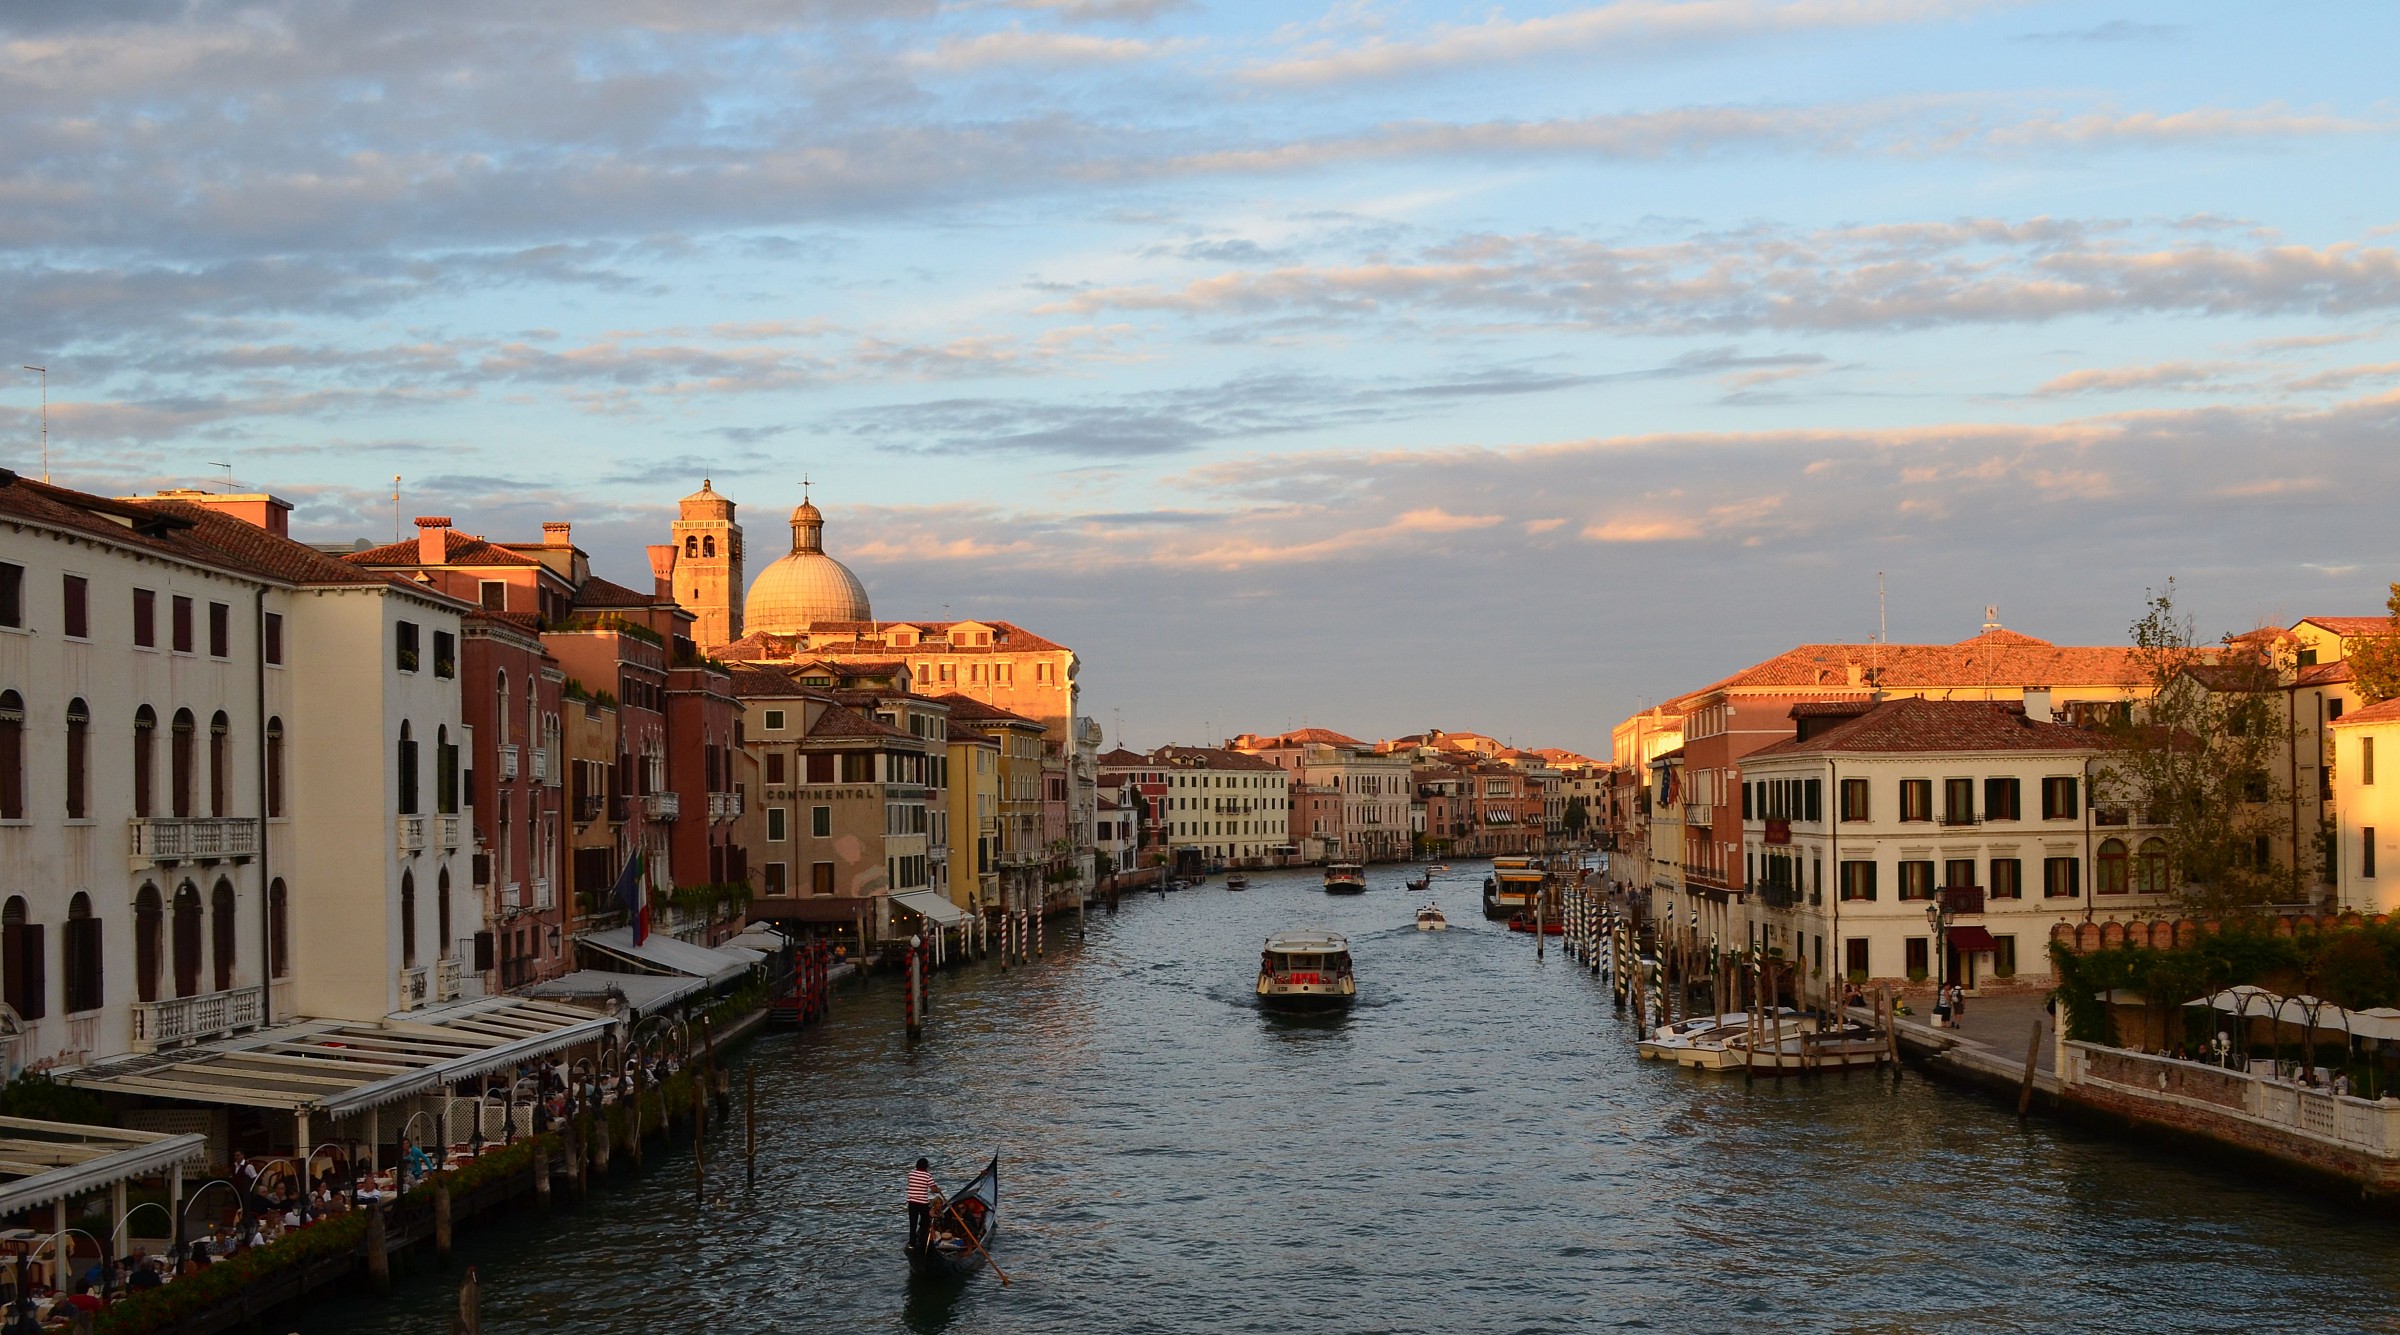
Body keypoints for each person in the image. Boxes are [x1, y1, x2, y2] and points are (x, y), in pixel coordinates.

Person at [906, 1158, 939, 1255]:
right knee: (925, 1223)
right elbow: (933, 1189)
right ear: (926, 1166)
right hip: (922, 1203)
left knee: (913, 1223)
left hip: (912, 1202)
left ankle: (912, 1243)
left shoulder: (911, 1174)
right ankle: (922, 1240)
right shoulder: (928, 1176)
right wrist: (938, 1190)